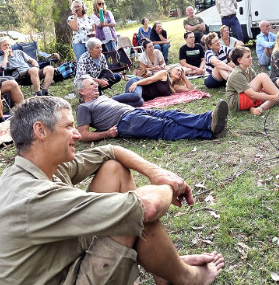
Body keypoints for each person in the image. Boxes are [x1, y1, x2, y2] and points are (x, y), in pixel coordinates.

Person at [0, 96, 224, 284]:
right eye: (68, 127)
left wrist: (156, 172)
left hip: (60, 263)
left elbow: (111, 151)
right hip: (64, 277)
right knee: (130, 212)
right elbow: (146, 208)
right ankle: (187, 278)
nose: (77, 134)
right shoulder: (32, 197)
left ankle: (164, 269)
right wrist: (170, 186)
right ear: (40, 130)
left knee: (114, 170)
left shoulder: (40, 167)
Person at [75, 75, 229, 141]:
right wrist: (106, 134)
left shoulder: (101, 98)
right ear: (81, 91)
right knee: (165, 127)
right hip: (125, 123)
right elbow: (83, 134)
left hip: (134, 112)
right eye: (91, 84)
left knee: (170, 114)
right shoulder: (84, 107)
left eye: (95, 83)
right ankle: (208, 132)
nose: (96, 85)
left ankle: (208, 120)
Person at [226, 46, 279, 116]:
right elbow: (252, 94)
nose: (251, 58)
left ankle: (259, 109)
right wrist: (274, 97)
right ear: (239, 60)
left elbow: (261, 87)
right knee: (262, 76)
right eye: (248, 57)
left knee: (274, 98)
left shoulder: (249, 69)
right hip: (236, 102)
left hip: (247, 97)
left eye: (250, 56)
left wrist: (273, 95)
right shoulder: (237, 73)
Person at [115, 65, 194, 107]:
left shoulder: (174, 87)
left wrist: (184, 76)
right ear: (171, 70)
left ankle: (116, 104)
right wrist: (136, 83)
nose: (179, 72)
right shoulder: (164, 74)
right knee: (136, 96)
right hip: (138, 83)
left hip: (142, 96)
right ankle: (110, 100)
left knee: (140, 103)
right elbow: (149, 80)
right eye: (178, 70)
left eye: (181, 72)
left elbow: (190, 89)